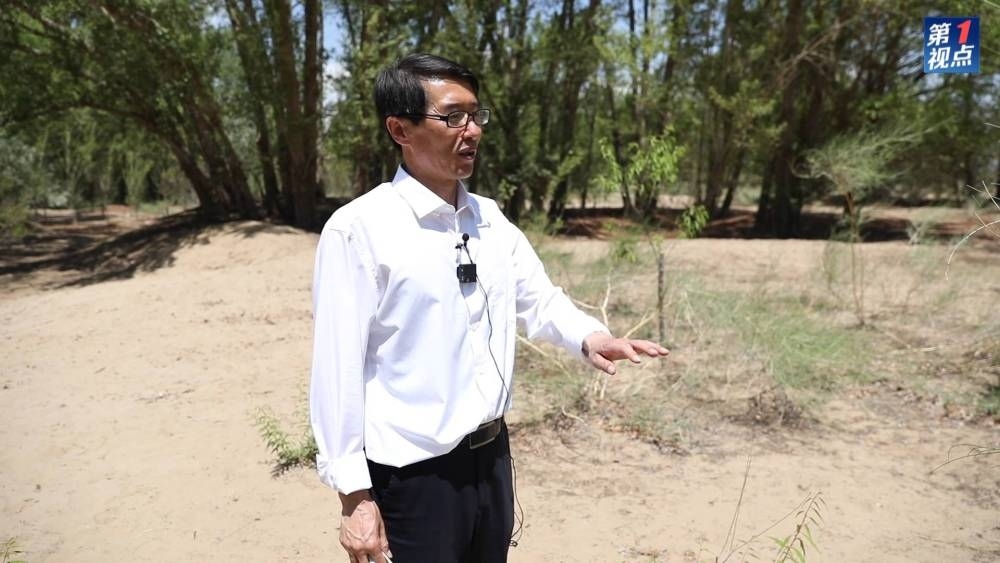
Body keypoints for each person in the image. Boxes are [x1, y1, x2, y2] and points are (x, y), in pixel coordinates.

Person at [310, 53, 669, 563]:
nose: (473, 130)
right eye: (453, 116)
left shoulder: (490, 220)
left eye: (476, 115)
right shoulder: (359, 230)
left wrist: (589, 337)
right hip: (414, 478)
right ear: (400, 129)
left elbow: (538, 298)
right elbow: (337, 367)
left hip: (492, 460)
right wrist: (354, 495)